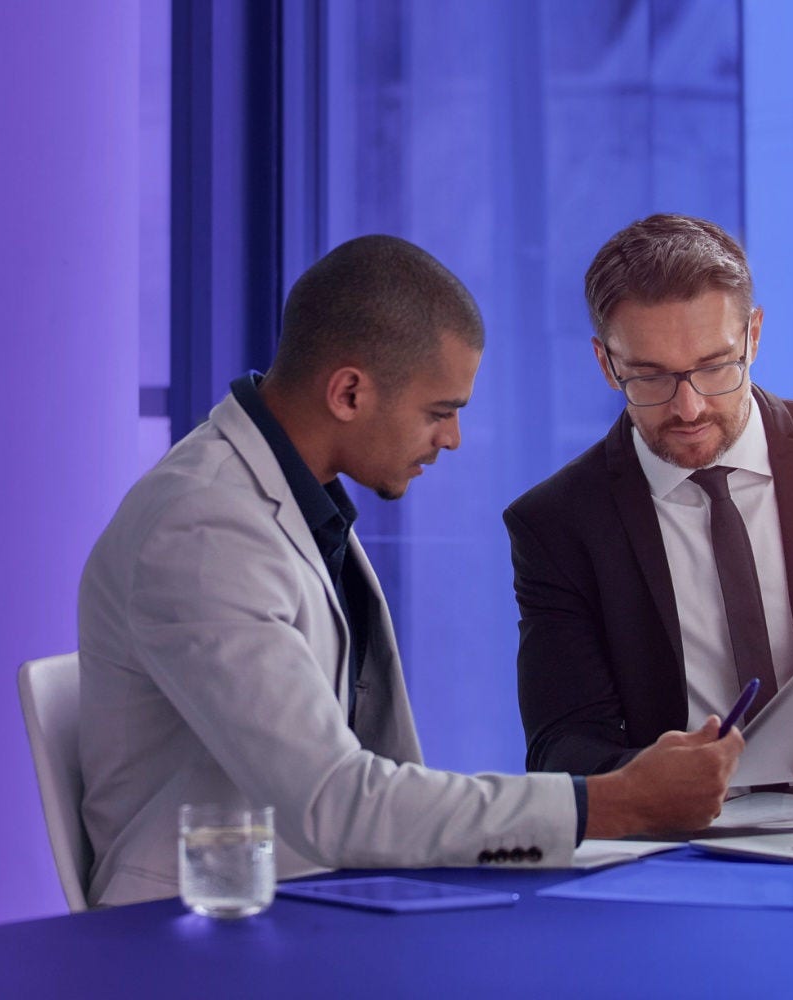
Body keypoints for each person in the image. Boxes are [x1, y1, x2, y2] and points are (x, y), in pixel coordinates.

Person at [78, 234, 741, 907]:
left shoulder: (292, 502)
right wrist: (610, 804)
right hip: (201, 937)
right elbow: (335, 803)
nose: (451, 438)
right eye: (439, 412)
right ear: (349, 392)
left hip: (315, 905)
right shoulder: (203, 529)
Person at [506, 214, 793, 805]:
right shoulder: (557, 524)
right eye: (650, 377)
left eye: (715, 366)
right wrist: (649, 779)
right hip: (688, 841)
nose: (690, 407)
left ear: (753, 335)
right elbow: (560, 746)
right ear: (605, 363)